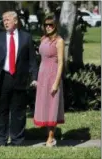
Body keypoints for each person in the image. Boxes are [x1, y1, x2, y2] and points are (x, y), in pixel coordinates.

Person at [0, 11, 38, 146]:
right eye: (4, 20)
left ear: (16, 21)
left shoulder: (26, 37)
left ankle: (17, 140)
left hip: (19, 78)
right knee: (0, 111)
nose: (5, 22)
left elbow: (32, 61)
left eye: (8, 19)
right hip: (1, 78)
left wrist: (35, 77)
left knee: (18, 111)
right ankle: (1, 140)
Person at [33, 13, 65, 147]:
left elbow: (61, 63)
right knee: (44, 105)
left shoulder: (59, 41)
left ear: (55, 25)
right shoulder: (43, 39)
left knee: (52, 106)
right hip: (42, 75)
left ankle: (51, 139)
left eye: (50, 24)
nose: (48, 27)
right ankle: (48, 136)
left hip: (53, 76)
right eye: (46, 25)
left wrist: (56, 83)